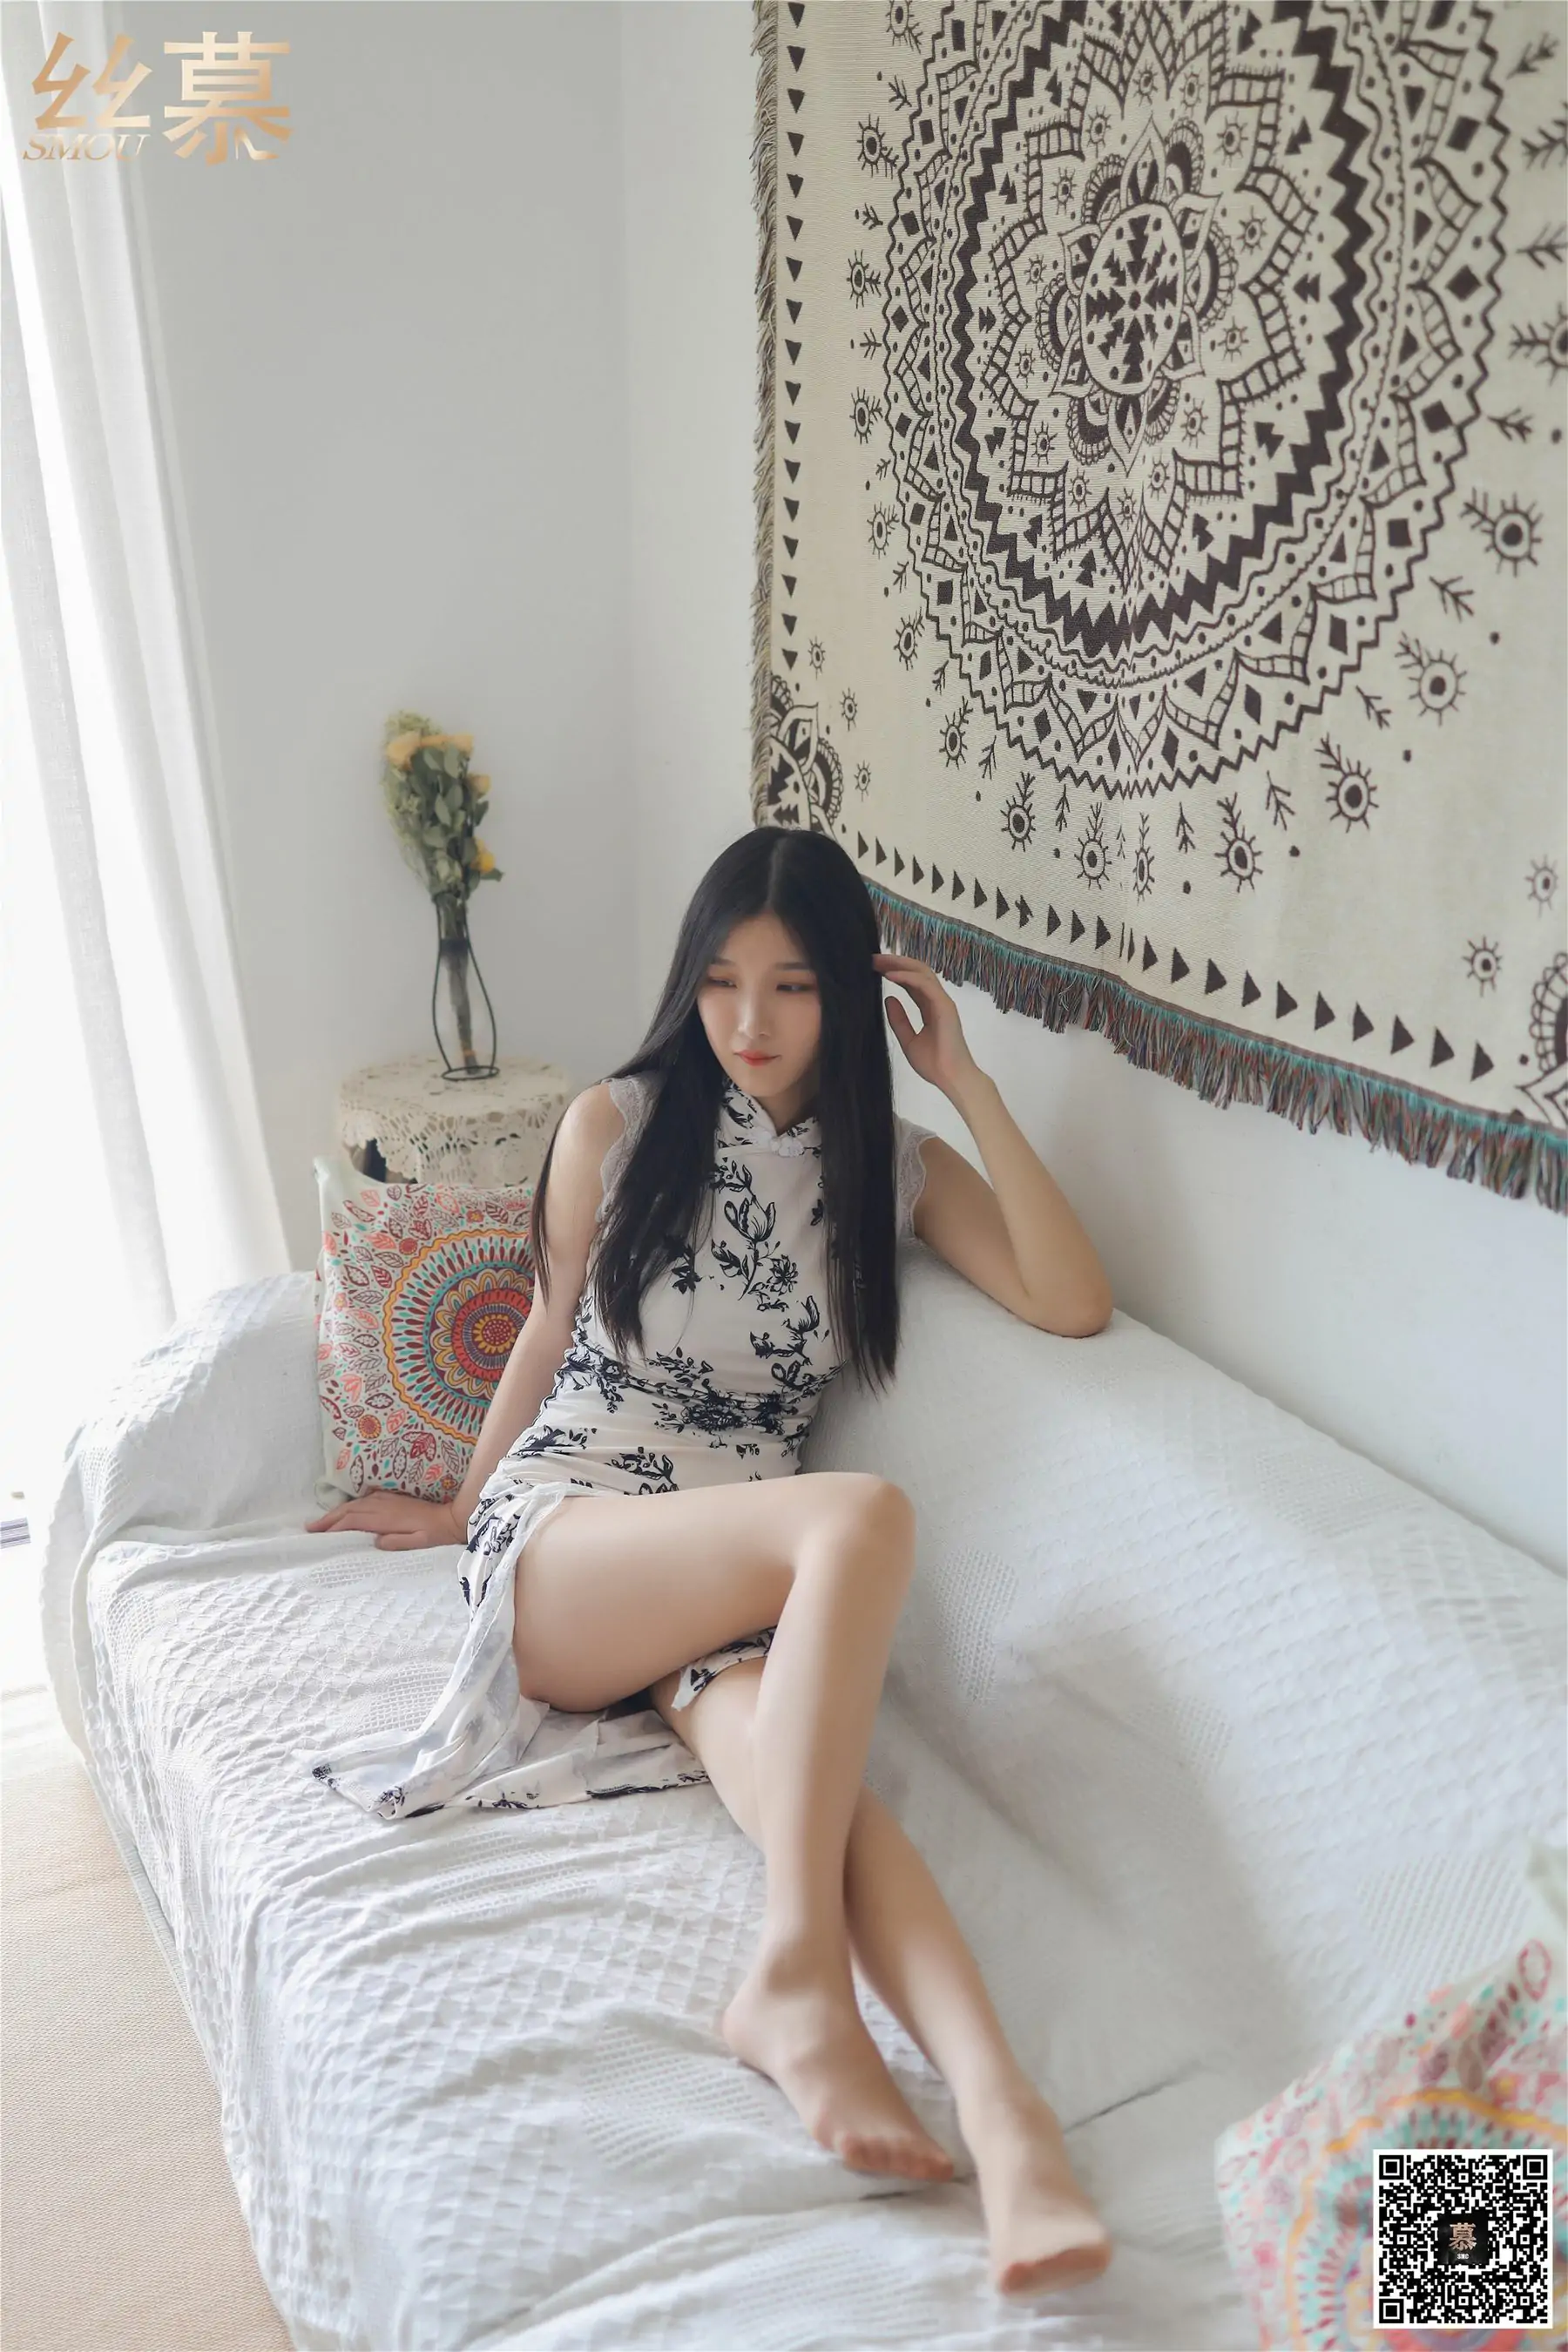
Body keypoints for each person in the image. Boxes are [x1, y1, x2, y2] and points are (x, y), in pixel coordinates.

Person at [306, 825, 1117, 2297]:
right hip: (573, 1538)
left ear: (848, 998)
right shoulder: (616, 1125)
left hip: (722, 1576)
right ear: (689, 982)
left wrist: (968, 1083)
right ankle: (797, 1974)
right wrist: (460, 1506)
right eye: (725, 981)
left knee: (823, 1801)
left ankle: (1010, 2120)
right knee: (859, 1517)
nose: (751, 1021)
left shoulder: (892, 1171)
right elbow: (548, 1329)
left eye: (794, 986)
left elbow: (1071, 1301)